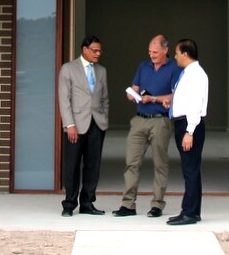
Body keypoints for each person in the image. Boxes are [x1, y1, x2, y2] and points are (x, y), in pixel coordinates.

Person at [113, 34, 181, 218]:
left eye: (155, 52)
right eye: (150, 52)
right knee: (131, 162)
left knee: (160, 164)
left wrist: (153, 99)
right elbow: (135, 87)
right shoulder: (143, 66)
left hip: (161, 120)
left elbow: (176, 97)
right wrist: (132, 93)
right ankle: (128, 204)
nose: (152, 55)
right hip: (139, 119)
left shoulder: (174, 68)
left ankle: (157, 205)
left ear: (166, 50)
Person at [58, 35, 109, 217]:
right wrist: (69, 124)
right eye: (94, 50)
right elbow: (64, 99)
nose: (98, 54)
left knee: (92, 166)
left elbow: (104, 99)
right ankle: (69, 204)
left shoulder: (101, 71)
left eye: (100, 50)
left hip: (97, 124)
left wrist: (104, 120)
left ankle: (87, 203)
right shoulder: (68, 69)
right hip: (76, 125)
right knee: (72, 166)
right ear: (84, 50)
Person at [166, 37, 208, 226]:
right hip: (184, 123)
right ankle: (192, 210)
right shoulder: (188, 73)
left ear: (185, 54)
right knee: (190, 169)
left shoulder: (195, 74)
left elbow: (195, 104)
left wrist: (189, 131)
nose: (175, 57)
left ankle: (189, 213)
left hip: (190, 124)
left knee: (190, 169)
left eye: (176, 53)